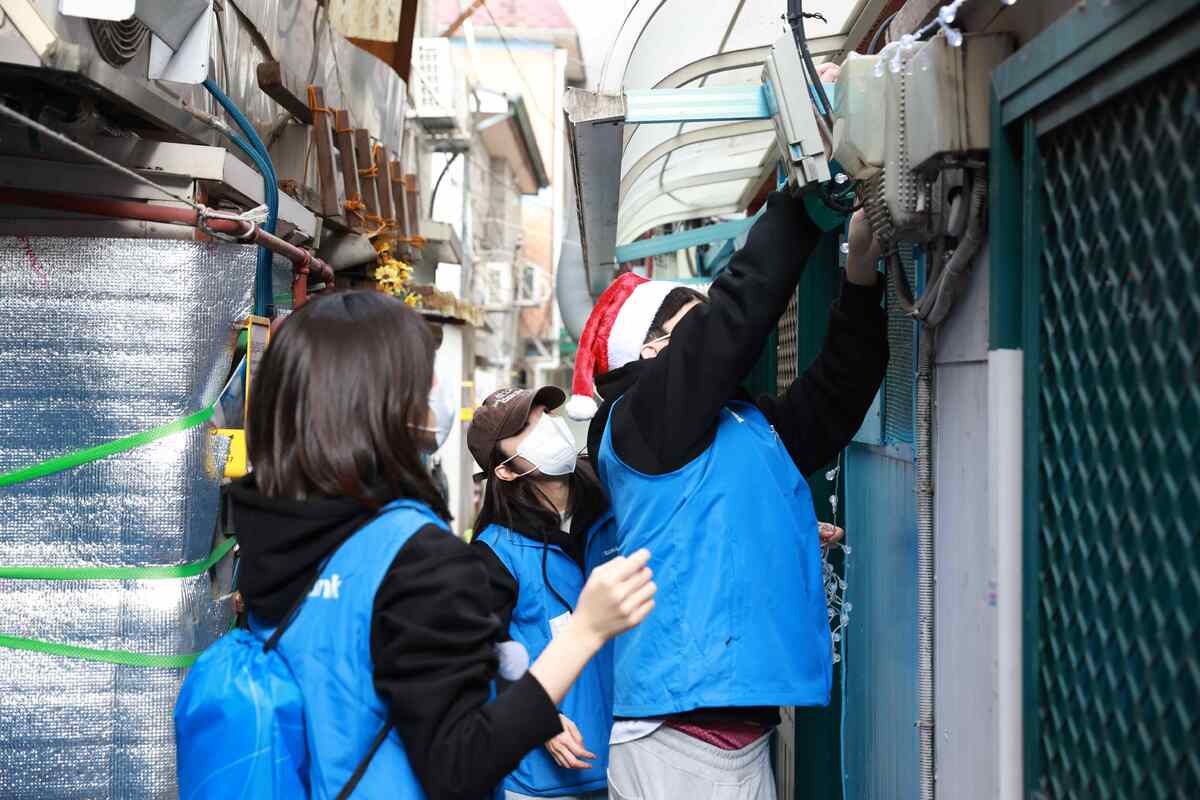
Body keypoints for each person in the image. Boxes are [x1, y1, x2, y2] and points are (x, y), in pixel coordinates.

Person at [208, 291, 656, 800]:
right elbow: (460, 762)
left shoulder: (275, 536)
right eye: (423, 379)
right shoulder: (415, 558)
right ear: (384, 406)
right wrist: (586, 632)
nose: (435, 393)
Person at [564, 200, 887, 799]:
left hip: (724, 728)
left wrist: (861, 281)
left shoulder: (745, 426)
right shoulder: (641, 418)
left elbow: (835, 395)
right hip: (676, 731)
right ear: (651, 351)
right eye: (692, 325)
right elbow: (736, 317)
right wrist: (798, 207)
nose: (707, 335)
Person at [468, 386, 617, 800]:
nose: (547, 427)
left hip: (632, 759)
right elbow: (485, 657)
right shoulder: (495, 554)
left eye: (545, 415)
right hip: (542, 781)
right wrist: (540, 719)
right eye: (526, 428)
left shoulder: (612, 505)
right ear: (505, 470)